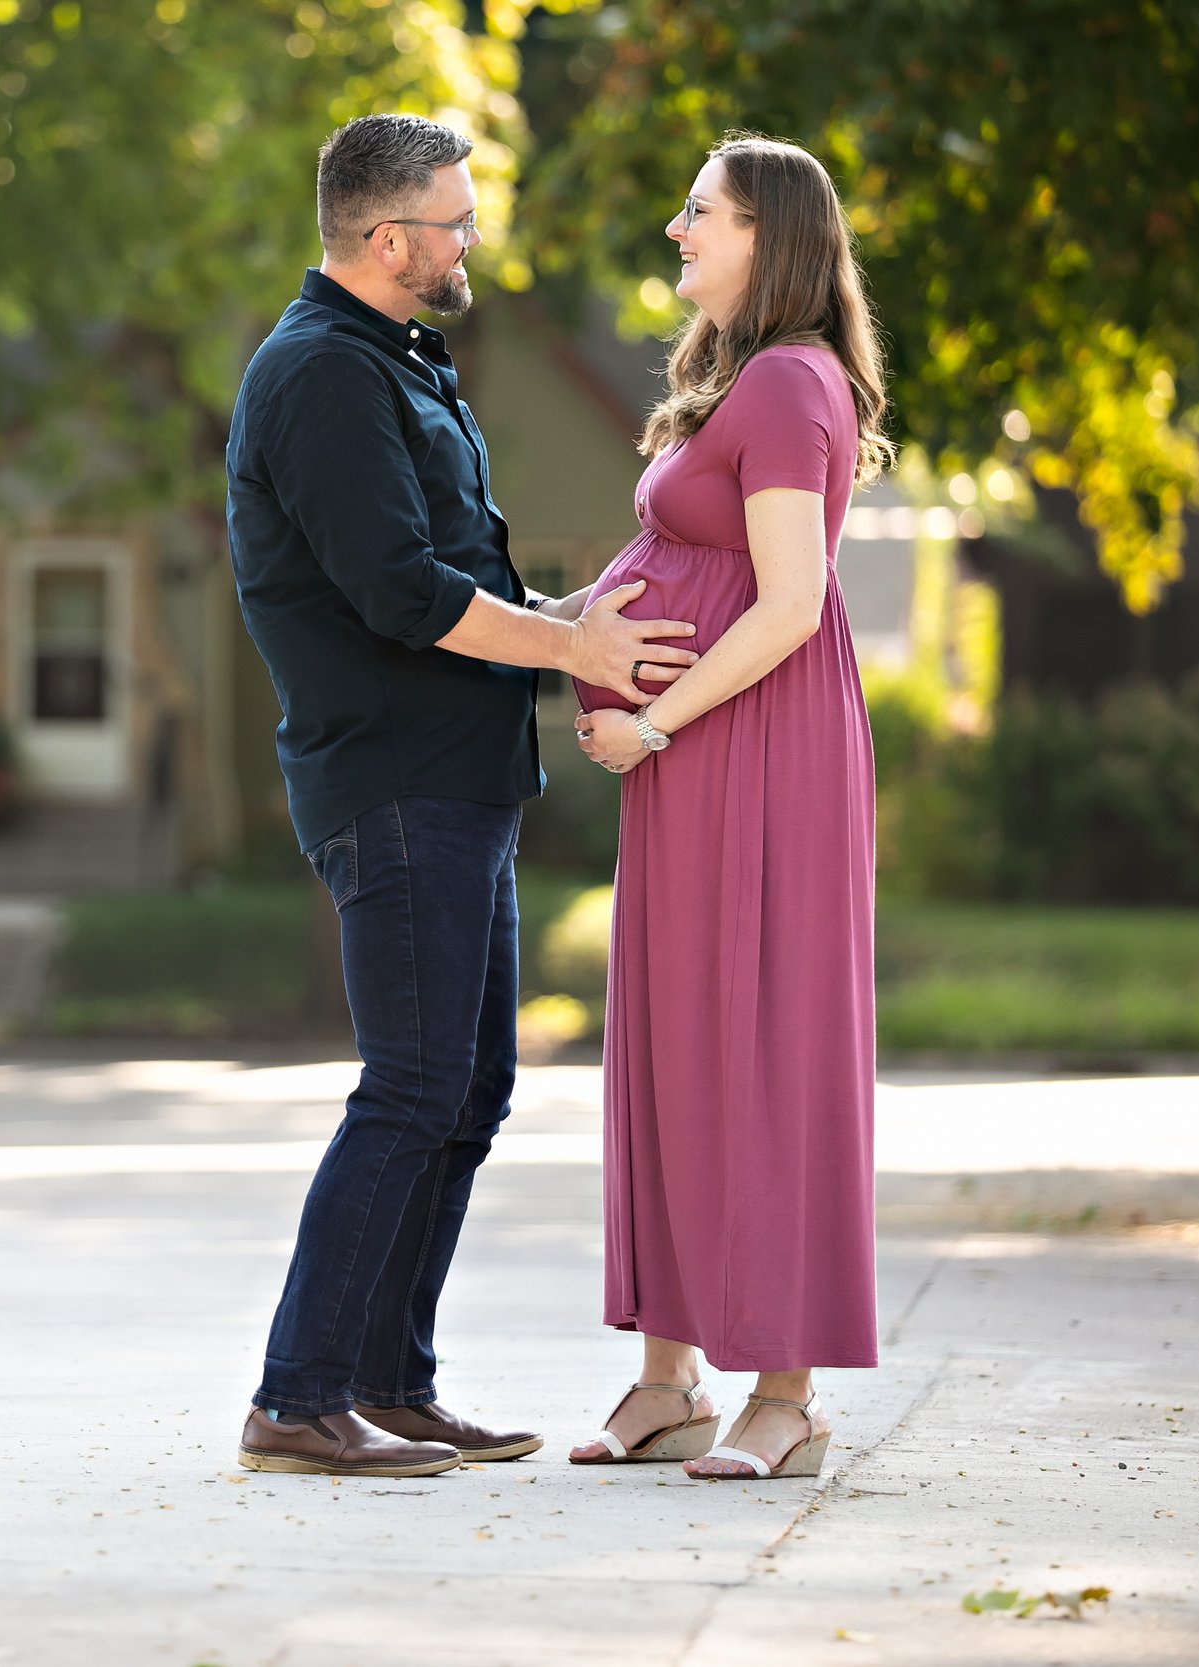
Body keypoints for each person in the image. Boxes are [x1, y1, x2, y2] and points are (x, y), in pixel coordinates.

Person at [225, 113, 700, 1478]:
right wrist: (570, 647)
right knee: (414, 1084)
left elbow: (456, 576)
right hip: (392, 782)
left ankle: (386, 1378)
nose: (471, 236)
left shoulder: (401, 361)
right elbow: (400, 595)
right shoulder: (320, 375)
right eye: (456, 217)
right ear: (389, 240)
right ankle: (295, 1399)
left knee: (470, 1087)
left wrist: (567, 613)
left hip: (458, 779)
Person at [558, 133, 894, 1480]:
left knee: (770, 1044)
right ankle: (667, 1379)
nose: (676, 227)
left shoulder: (795, 387)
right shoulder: (730, 382)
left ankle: (789, 1395)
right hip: (693, 766)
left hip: (760, 753)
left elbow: (793, 606)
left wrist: (654, 718)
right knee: (678, 1041)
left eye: (703, 210)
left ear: (772, 235)